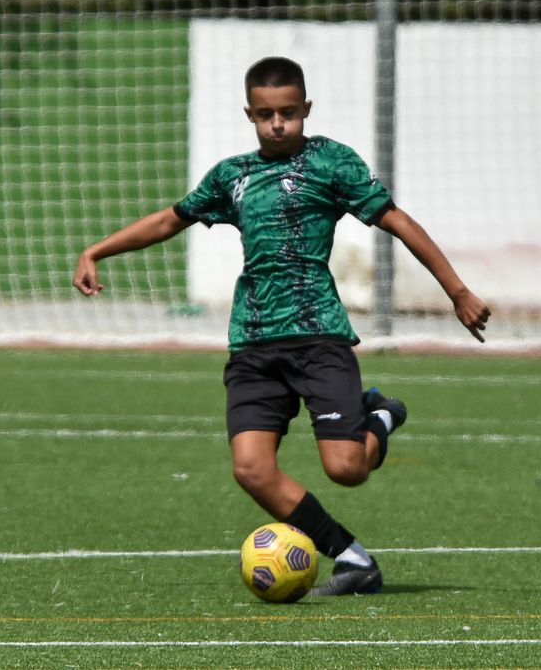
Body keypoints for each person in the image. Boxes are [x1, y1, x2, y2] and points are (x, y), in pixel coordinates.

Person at [73, 56, 489, 596]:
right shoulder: (231, 176)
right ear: (249, 114)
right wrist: (96, 251)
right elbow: (168, 220)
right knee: (251, 469)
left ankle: (381, 415)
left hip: (318, 338)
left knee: (347, 469)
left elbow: (399, 222)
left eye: (288, 113)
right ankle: (353, 560)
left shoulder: (332, 162)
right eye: (266, 114)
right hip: (253, 343)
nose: (277, 124)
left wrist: (457, 291)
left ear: (306, 109)